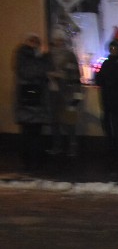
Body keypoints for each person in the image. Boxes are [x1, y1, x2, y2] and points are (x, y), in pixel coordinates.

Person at [13, 33, 51, 169]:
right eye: (33, 41)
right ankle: (30, 161)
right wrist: (44, 60)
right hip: (29, 101)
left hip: (34, 102)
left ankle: (33, 159)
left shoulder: (32, 56)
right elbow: (31, 71)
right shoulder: (24, 55)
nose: (35, 45)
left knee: (34, 132)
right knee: (30, 133)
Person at [46, 30, 83, 156]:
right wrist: (49, 75)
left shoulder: (69, 55)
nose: (58, 42)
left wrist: (63, 75)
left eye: (60, 39)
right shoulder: (48, 55)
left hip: (67, 92)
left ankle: (73, 146)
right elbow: (42, 71)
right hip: (52, 91)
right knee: (54, 120)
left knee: (69, 120)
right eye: (56, 39)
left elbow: (76, 75)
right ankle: (57, 146)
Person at [95, 40, 118, 155]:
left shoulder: (117, 63)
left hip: (115, 97)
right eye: (111, 48)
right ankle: (112, 145)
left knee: (116, 123)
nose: (113, 50)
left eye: (114, 48)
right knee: (110, 123)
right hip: (109, 97)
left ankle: (115, 146)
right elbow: (100, 79)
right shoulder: (109, 63)